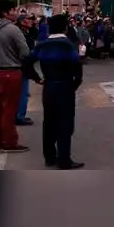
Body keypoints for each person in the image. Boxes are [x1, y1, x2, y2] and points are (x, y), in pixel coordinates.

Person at [22, 14, 84, 170]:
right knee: (65, 123)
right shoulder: (68, 45)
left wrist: (38, 79)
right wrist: (73, 86)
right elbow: (78, 70)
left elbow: (27, 64)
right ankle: (64, 159)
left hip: (48, 87)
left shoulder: (42, 45)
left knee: (49, 122)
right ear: (66, 28)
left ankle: (49, 157)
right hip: (65, 87)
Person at [0, 0, 31, 153]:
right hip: (12, 72)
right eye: (13, 10)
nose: (16, 13)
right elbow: (25, 52)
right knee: (10, 109)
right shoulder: (13, 30)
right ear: (5, 13)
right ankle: (9, 142)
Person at [15, 13, 38, 127]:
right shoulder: (19, 34)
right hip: (20, 66)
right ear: (22, 21)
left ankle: (19, 115)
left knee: (23, 93)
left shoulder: (27, 32)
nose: (32, 21)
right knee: (22, 93)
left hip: (23, 65)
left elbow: (36, 34)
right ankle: (19, 116)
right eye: (29, 19)